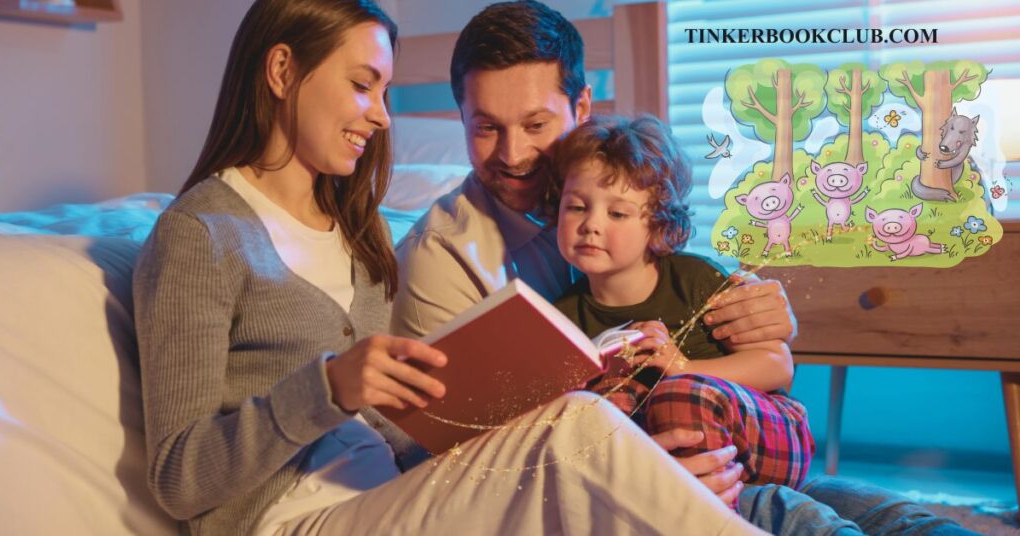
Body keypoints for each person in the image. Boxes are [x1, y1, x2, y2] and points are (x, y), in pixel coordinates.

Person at [133, 1, 763, 534]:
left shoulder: (362, 233)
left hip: (399, 498)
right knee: (581, 428)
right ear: (280, 69)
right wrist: (326, 391)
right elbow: (178, 481)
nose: (382, 115)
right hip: (293, 518)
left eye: (383, 90)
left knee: (782, 496)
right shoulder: (201, 235)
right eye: (363, 84)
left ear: (581, 108)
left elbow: (411, 441)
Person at [393, 2, 977, 535]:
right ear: (461, 118)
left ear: (582, 108)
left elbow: (756, 343)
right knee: (787, 509)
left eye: (537, 125)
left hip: (720, 429)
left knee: (873, 508)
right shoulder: (439, 258)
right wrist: (650, 474)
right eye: (486, 127)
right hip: (604, 470)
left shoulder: (619, 180)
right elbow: (462, 456)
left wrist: (764, 315)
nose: (514, 154)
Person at [550, 114, 814, 490]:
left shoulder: (694, 281)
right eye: (576, 207)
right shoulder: (562, 317)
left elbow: (777, 366)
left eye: (617, 213)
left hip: (768, 435)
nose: (591, 224)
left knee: (678, 393)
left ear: (658, 224)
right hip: (675, 462)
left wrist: (683, 365)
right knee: (603, 406)